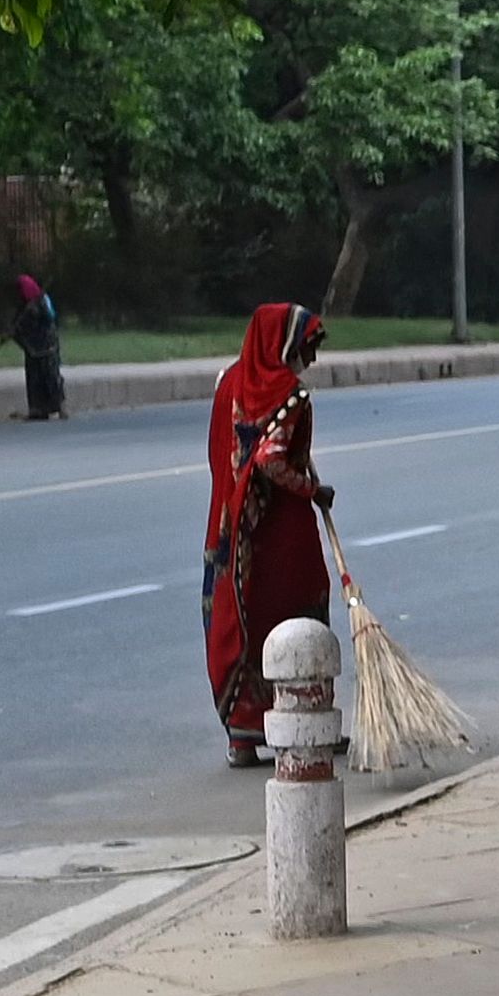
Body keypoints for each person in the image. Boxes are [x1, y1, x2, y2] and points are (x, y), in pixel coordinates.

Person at [200, 304, 331, 767]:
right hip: (278, 531)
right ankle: (304, 720)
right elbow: (270, 460)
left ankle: (242, 735)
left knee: (239, 615)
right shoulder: (290, 394)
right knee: (298, 611)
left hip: (230, 529)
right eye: (306, 348)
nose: (309, 360)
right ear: (285, 345)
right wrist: (313, 489)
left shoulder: (228, 382)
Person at [12, 274, 67, 420]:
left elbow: (50, 318)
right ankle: (37, 409)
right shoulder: (23, 304)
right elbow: (17, 324)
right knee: (34, 379)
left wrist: (35, 311)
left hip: (47, 345)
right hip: (32, 347)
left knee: (50, 376)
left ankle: (57, 407)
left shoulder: (42, 300)